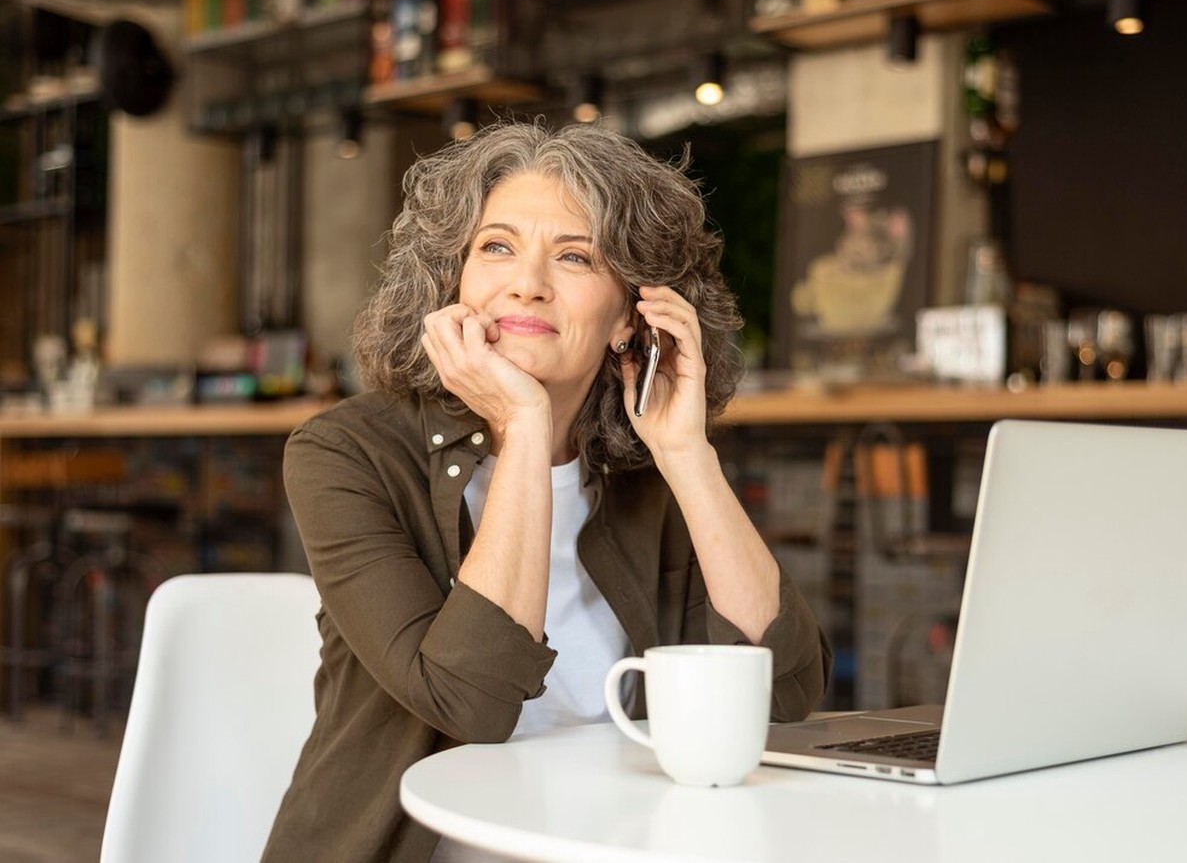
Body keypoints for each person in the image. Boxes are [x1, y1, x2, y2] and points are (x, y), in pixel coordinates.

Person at [262, 121, 831, 862]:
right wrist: (524, 426)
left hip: (612, 840)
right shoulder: (345, 453)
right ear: (453, 282)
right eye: (496, 247)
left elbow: (783, 694)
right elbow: (472, 700)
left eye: (574, 256)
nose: (527, 282)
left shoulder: (649, 473)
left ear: (632, 315)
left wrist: (687, 455)